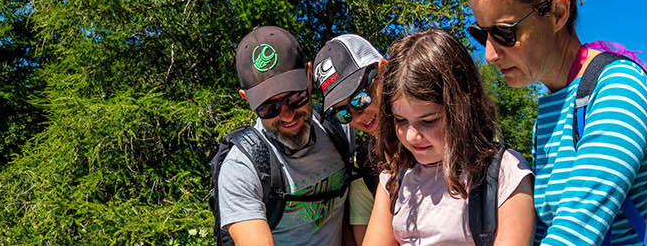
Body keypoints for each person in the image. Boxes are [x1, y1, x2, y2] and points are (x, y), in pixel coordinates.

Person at [462, 0, 647, 244]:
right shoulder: (554, 107)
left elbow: (574, 235)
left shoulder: (618, 88)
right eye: (481, 34)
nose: (490, 54)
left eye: (505, 33)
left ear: (558, 13)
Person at [360, 29, 536, 246]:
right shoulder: (395, 176)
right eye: (400, 120)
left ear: (462, 109)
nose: (412, 136)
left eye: (428, 121)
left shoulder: (506, 173)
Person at [216, 26, 352, 246]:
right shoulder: (241, 169)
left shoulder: (340, 128)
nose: (287, 115)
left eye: (295, 96)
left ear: (309, 77)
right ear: (247, 100)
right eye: (269, 107)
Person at [313, 34, 386, 246]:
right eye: (343, 113)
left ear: (383, 70)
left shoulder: (440, 128)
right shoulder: (365, 165)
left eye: (360, 99)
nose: (358, 116)